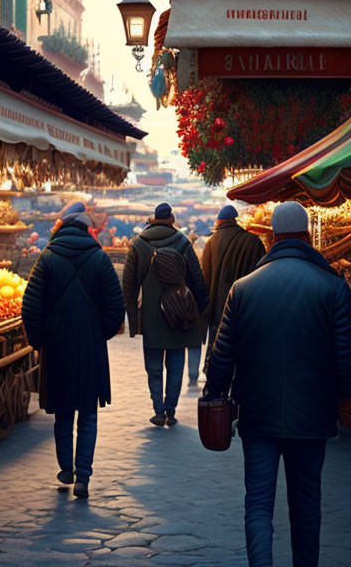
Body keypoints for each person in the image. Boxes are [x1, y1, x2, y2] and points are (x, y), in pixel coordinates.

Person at [204, 202, 351, 567]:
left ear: (272, 237)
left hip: (258, 415)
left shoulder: (244, 288)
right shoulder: (333, 288)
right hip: (313, 417)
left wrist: (215, 394)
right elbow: (346, 356)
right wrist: (345, 399)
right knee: (306, 506)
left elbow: (221, 355)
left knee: (257, 504)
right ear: (305, 236)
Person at [21, 209, 125, 499]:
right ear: (86, 230)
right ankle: (83, 477)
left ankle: (66, 468)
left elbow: (30, 308)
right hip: (90, 350)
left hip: (56, 347)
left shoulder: (47, 258)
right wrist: (97, 333)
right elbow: (117, 309)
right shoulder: (100, 258)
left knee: (63, 411)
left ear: (62, 228)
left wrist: (40, 341)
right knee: (88, 413)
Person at [122, 202, 209, 426]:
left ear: (153, 219)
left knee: (153, 365)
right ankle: (171, 408)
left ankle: (158, 409)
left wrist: (133, 316)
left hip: (151, 315)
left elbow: (129, 285)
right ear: (171, 218)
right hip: (179, 312)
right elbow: (197, 280)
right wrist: (199, 310)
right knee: (176, 363)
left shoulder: (138, 244)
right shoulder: (183, 242)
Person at [198, 204, 265, 381]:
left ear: (219, 221)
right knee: (243, 355)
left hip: (219, 310)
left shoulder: (211, 243)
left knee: (220, 355)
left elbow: (205, 278)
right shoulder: (253, 241)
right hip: (247, 309)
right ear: (235, 220)